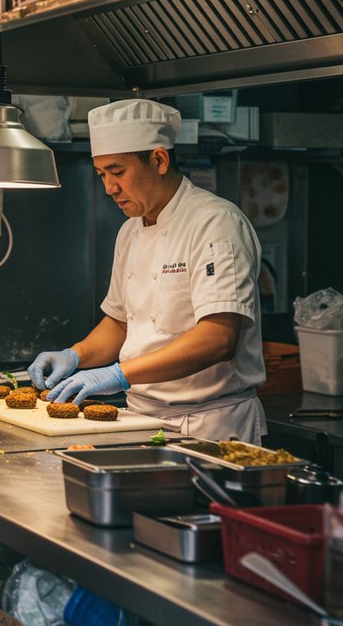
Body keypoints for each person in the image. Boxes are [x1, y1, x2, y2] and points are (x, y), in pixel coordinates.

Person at [29, 99, 267, 443]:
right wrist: (75, 355)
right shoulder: (131, 230)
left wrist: (118, 374)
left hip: (210, 425)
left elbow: (217, 339)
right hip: (139, 419)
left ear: (159, 159)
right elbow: (121, 322)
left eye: (117, 172)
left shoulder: (216, 223)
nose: (109, 188)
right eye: (101, 175)